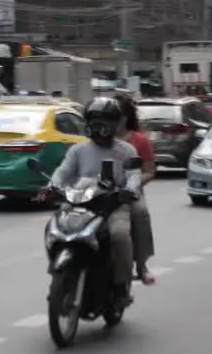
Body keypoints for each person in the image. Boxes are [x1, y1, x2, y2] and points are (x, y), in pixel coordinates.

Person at [45, 97, 142, 304]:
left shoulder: (126, 150)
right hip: (79, 203)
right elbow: (62, 172)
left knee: (120, 235)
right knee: (53, 229)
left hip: (112, 205)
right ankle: (57, 269)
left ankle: (120, 286)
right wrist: (52, 186)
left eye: (104, 121)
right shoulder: (78, 150)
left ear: (115, 124)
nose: (98, 126)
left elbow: (134, 175)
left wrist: (130, 190)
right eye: (93, 121)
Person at [113, 93, 156, 285]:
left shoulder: (139, 140)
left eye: (116, 115)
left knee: (140, 214)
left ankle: (141, 265)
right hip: (99, 190)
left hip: (129, 193)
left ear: (125, 117)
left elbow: (149, 171)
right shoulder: (98, 139)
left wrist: (133, 185)